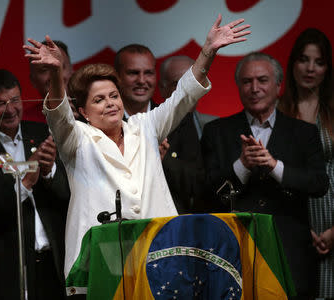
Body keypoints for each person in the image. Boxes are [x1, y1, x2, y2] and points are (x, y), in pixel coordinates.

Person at [24, 14, 251, 290]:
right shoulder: (77, 139)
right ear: (82, 110)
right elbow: (58, 116)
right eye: (98, 99)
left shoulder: (144, 126)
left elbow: (183, 96)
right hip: (101, 262)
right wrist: (57, 73)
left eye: (113, 95)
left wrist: (207, 52)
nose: (110, 103)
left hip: (157, 255)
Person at [201, 52, 329, 298]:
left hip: (291, 254)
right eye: (247, 81)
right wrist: (241, 166)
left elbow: (319, 183)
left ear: (278, 85)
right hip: (235, 252)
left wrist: (275, 166)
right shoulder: (216, 131)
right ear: (238, 87)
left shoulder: (303, 133)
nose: (255, 88)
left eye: (262, 80)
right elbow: (208, 194)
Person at [0, 69, 69, 300]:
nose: (10, 110)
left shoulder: (43, 134)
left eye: (15, 100)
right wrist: (25, 184)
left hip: (53, 261)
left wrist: (49, 172)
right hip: (7, 269)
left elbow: (68, 194)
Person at [278, 28, 334, 299]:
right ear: (292, 65)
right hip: (294, 216)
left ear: (327, 68)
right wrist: (301, 231)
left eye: (319, 62)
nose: (310, 68)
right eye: (304, 59)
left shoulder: (332, 111)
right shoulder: (275, 111)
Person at [159, 55, 218, 213]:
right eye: (178, 84)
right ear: (162, 88)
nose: (187, 90)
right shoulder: (153, 127)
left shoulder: (216, 127)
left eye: (194, 83)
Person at [26, 40, 78, 121]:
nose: (55, 76)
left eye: (59, 67)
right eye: (44, 70)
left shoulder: (92, 110)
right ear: (33, 81)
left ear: (72, 71)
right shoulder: (26, 121)